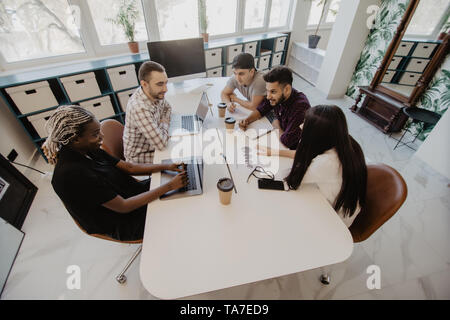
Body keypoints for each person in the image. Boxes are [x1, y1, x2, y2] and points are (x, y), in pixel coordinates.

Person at [43, 105, 187, 241]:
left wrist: (166, 166)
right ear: (75, 139)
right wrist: (169, 186)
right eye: (95, 134)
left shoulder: (88, 149)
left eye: (99, 130)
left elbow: (129, 168)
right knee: (181, 211)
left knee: (184, 190)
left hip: (130, 195)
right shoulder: (71, 175)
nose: (101, 136)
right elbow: (124, 206)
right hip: (123, 221)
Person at [258, 105, 367, 228]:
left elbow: (293, 179)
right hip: (339, 201)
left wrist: (302, 142)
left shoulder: (326, 163)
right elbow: (303, 157)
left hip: (334, 221)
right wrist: (274, 151)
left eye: (305, 124)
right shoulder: (344, 142)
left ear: (317, 135)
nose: (300, 126)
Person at [239, 66, 310, 150]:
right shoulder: (280, 95)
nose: (268, 96)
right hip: (279, 137)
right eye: (267, 90)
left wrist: (276, 125)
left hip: (293, 150)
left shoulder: (301, 107)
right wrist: (246, 120)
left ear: (287, 89)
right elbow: (262, 109)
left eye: (273, 91)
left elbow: (287, 141)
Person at [123, 61, 172, 164]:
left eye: (165, 83)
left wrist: (161, 129)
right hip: (140, 157)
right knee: (182, 157)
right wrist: (165, 123)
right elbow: (161, 144)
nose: (165, 89)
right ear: (144, 84)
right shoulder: (139, 107)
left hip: (153, 145)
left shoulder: (154, 93)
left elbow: (168, 108)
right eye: (160, 84)